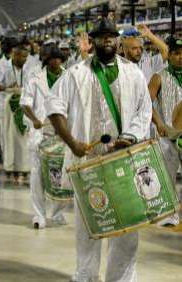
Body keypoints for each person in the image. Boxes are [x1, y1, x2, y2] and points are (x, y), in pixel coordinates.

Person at [46, 19, 152, 282]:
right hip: (88, 164)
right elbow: (54, 107)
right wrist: (72, 143)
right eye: (101, 36)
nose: (107, 40)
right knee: (89, 227)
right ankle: (86, 276)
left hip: (124, 160)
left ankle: (121, 279)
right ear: (92, 41)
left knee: (128, 227)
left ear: (118, 41)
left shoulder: (133, 73)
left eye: (111, 36)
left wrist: (130, 136)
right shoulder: (75, 73)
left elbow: (144, 110)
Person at [21, 45, 68, 229]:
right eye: (52, 59)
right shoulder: (34, 79)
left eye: (58, 59)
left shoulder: (69, 77)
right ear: (46, 61)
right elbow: (25, 103)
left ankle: (57, 212)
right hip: (41, 133)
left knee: (61, 175)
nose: (55, 62)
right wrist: (34, 120)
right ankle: (39, 215)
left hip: (63, 133)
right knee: (37, 176)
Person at [148, 36, 182, 226]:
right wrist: (158, 122)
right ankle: (168, 215)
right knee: (167, 175)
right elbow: (147, 101)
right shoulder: (159, 77)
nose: (180, 57)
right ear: (169, 55)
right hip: (167, 134)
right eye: (176, 53)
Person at [0, 39, 31, 183]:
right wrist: (7, 88)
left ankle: (25, 168)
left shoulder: (30, 67)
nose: (22, 59)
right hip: (8, 105)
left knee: (24, 137)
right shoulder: (3, 66)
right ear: (13, 55)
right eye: (20, 56)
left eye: (25, 56)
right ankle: (10, 167)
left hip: (25, 105)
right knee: (9, 138)